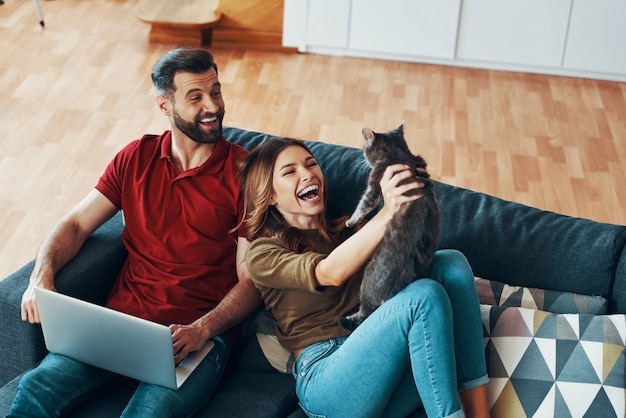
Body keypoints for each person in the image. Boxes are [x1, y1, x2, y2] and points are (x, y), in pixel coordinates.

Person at [9, 47, 261, 417]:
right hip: (121, 325)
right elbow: (76, 224)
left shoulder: (247, 174)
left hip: (197, 340)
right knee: (35, 389)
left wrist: (203, 329)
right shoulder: (136, 157)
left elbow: (252, 279)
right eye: (195, 97)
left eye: (216, 91)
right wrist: (40, 277)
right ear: (164, 106)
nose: (213, 106)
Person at [238, 138, 490, 418]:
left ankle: (481, 414)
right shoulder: (263, 253)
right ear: (270, 195)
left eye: (311, 164)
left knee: (451, 264)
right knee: (424, 298)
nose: (308, 173)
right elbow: (329, 272)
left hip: (381, 370)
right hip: (326, 380)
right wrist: (387, 212)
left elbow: (408, 269)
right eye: (290, 171)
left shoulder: (347, 232)